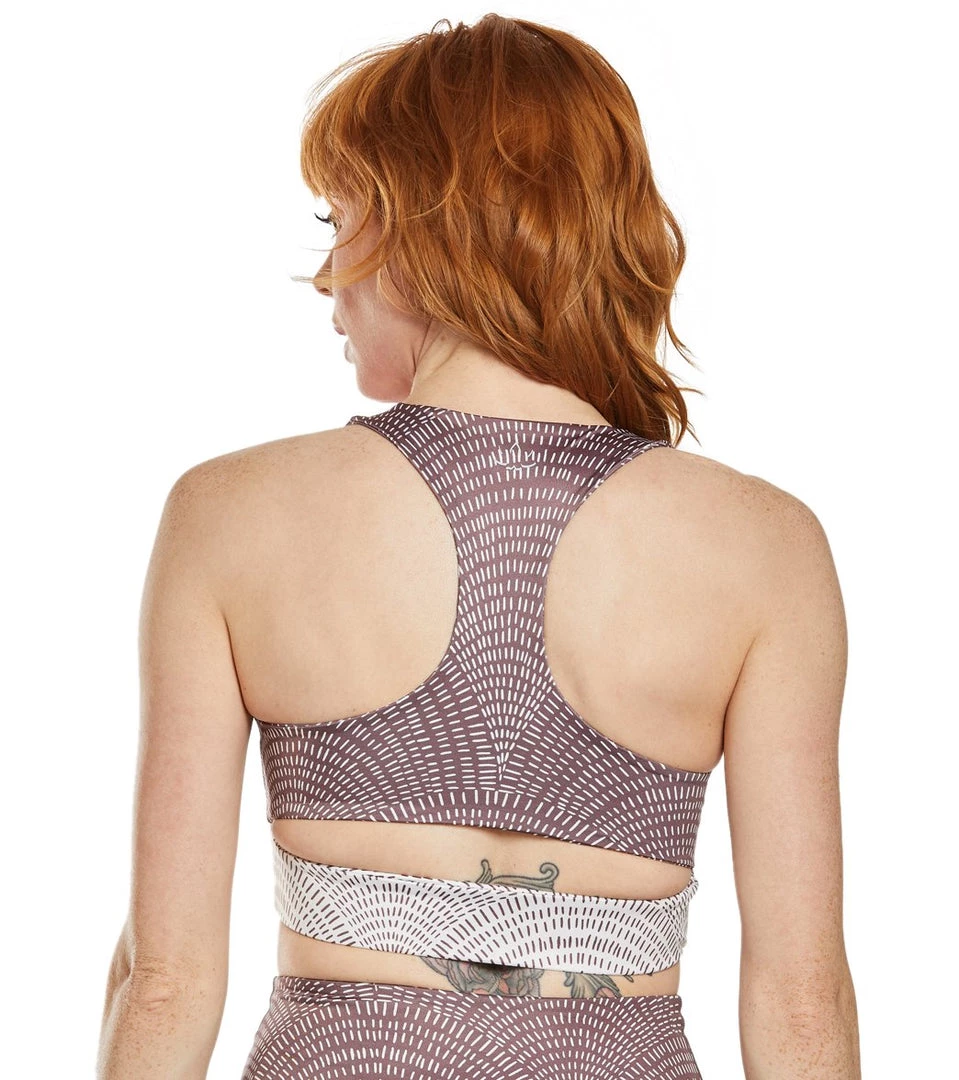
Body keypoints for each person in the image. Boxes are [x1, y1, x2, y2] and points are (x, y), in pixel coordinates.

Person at [96, 14, 860, 1079]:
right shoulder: (765, 548)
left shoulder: (229, 514)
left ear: (415, 230)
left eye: (337, 222)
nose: (326, 282)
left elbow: (165, 981)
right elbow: (800, 998)